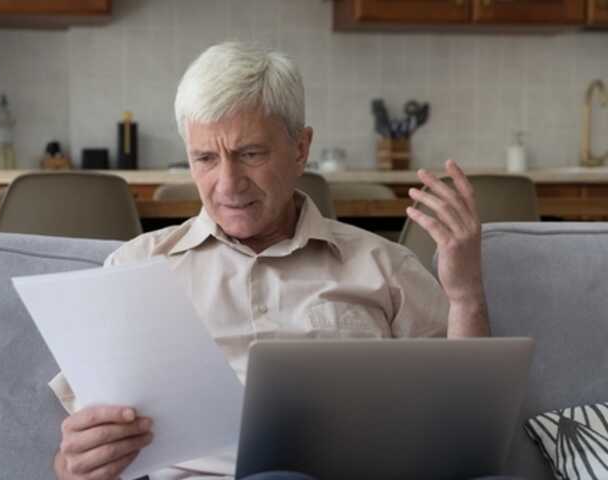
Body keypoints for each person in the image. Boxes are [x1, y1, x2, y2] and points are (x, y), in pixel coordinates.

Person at [51, 42, 490, 480]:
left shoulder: (383, 264)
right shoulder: (137, 269)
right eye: (205, 158)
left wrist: (465, 294)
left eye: (250, 154)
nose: (228, 183)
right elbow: (75, 462)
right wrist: (75, 467)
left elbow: (467, 429)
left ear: (301, 149)